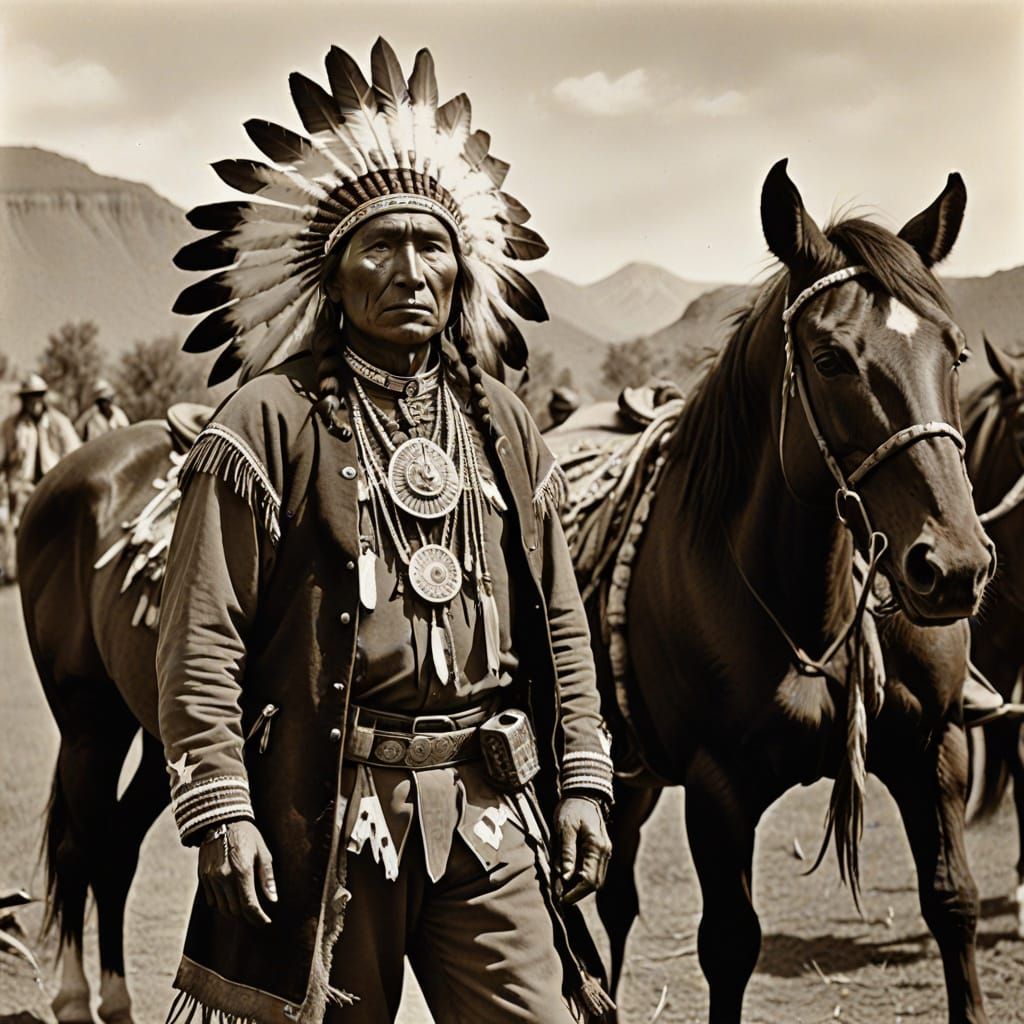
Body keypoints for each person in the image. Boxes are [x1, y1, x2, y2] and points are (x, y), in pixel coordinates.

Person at [157, 39, 615, 1024]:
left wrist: (583, 778)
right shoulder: (265, 422)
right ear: (333, 269)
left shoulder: (503, 422)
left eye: (431, 243)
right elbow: (201, 637)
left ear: (461, 264)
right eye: (380, 244)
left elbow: (562, 623)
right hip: (326, 811)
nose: (410, 268)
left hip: (489, 809)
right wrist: (222, 806)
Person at [0, 373, 81, 529]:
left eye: (38, 395)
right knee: (22, 532)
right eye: (30, 396)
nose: (34, 401)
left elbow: (75, 454)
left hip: (53, 488)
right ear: (24, 399)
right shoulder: (11, 426)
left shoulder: (60, 423)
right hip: (22, 489)